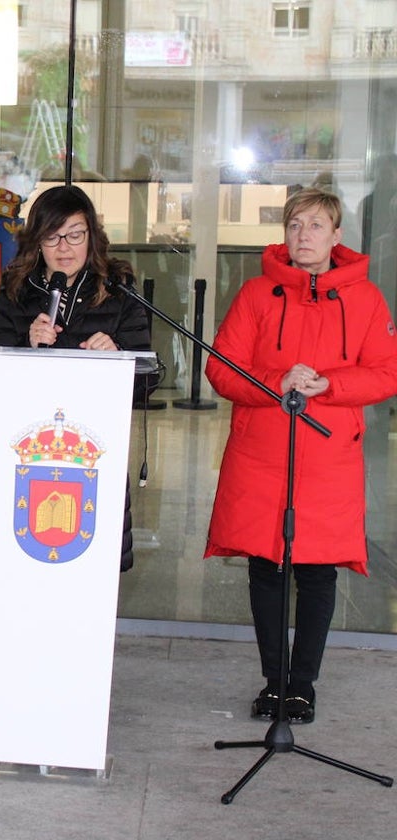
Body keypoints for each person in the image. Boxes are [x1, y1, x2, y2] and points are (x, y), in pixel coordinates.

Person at [205, 187, 397, 724]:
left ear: (337, 237)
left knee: (315, 572)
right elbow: (221, 368)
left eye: (315, 226)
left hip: (329, 456)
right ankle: (274, 682)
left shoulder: (366, 299)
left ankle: (303, 685)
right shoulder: (257, 294)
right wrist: (275, 381)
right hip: (262, 452)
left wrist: (328, 385)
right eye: (295, 225)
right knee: (266, 567)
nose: (303, 235)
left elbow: (387, 371)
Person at [0, 184, 153, 572]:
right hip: (26, 455)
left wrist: (118, 358)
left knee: (92, 573)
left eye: (75, 234)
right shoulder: (15, 290)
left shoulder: (119, 289)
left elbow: (147, 383)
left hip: (96, 456)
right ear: (36, 241)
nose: (65, 247)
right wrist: (26, 348)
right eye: (52, 236)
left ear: (92, 236)